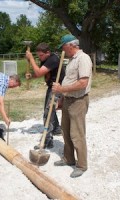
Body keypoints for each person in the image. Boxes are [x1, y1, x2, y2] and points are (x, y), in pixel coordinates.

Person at [52, 34, 93, 178]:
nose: (62, 50)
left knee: (77, 134)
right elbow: (69, 81)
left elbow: (83, 83)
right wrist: (62, 98)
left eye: (63, 47)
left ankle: (82, 165)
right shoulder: (71, 61)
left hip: (78, 101)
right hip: (68, 100)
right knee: (66, 131)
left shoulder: (83, 59)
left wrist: (61, 90)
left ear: (70, 45)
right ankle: (68, 158)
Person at [25, 42, 65, 149]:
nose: (40, 58)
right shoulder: (46, 59)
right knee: (49, 109)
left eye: (41, 55)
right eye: (38, 56)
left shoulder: (53, 59)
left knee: (48, 112)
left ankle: (47, 140)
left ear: (48, 52)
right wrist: (31, 76)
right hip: (51, 86)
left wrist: (31, 58)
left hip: (58, 87)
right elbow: (40, 73)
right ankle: (56, 129)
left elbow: (39, 72)